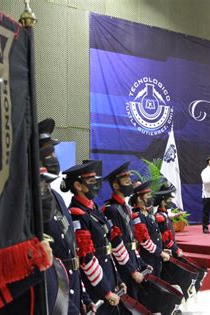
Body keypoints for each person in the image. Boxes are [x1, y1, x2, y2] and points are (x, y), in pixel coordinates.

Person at [39, 118, 96, 315]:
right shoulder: (30, 203)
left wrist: (84, 297)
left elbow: (71, 252)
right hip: (52, 291)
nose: (54, 158)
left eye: (54, 153)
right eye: (49, 153)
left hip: (71, 283)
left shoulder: (57, 198)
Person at [62, 161, 124, 315]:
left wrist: (118, 280)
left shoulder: (93, 208)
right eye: (91, 182)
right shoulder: (77, 214)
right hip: (96, 285)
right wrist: (106, 291)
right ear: (78, 185)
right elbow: (86, 258)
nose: (96, 185)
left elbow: (107, 246)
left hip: (109, 275)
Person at [102, 162, 150, 305]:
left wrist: (139, 263)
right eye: (126, 181)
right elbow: (116, 243)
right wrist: (131, 270)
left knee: (136, 300)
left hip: (131, 259)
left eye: (130, 180)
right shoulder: (111, 209)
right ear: (116, 186)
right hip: (122, 264)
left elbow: (131, 241)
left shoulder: (125, 208)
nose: (130, 183)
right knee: (127, 304)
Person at [130, 181, 171, 277]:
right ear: (139, 198)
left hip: (155, 256)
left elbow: (156, 235)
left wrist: (162, 250)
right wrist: (160, 253)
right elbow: (145, 241)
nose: (150, 197)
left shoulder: (147, 213)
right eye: (147, 195)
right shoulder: (137, 216)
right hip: (148, 258)